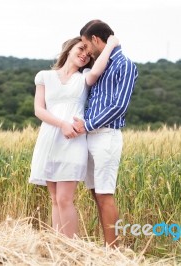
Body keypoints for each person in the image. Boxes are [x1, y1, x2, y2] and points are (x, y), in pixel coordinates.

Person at [29, 35, 119, 238]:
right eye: (80, 49)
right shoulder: (44, 76)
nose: (84, 55)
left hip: (73, 141)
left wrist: (111, 44)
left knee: (64, 198)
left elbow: (97, 69)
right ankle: (58, 247)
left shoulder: (84, 77)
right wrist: (61, 124)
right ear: (69, 49)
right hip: (50, 138)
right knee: (54, 199)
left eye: (88, 54)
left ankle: (72, 248)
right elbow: (38, 109)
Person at [72, 20, 138, 247]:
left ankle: (114, 251)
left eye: (85, 44)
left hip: (105, 135)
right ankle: (106, 247)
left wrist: (87, 125)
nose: (86, 50)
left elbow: (119, 105)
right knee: (95, 194)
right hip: (89, 135)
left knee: (104, 194)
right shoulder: (101, 64)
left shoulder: (125, 65)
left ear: (96, 40)